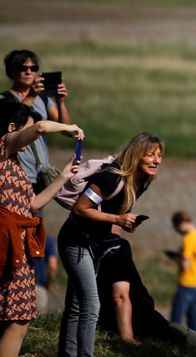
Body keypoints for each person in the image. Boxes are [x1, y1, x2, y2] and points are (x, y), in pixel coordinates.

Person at [57, 132, 164, 357]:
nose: (156, 160)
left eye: (160, 155)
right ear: (137, 155)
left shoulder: (142, 181)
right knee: (91, 306)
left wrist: (125, 222)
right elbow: (80, 208)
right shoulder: (111, 177)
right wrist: (117, 219)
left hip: (96, 243)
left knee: (77, 307)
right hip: (77, 241)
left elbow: (112, 211)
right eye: (150, 155)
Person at [0, 100, 83, 357]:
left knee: (15, 316)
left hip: (18, 245)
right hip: (8, 243)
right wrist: (68, 127)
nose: (31, 141)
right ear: (12, 127)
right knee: (19, 319)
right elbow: (40, 128)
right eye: (25, 129)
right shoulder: (3, 145)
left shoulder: (12, 163)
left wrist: (63, 177)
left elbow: (33, 203)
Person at [1, 49, 73, 195]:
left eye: (33, 68)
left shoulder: (44, 100)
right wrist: (31, 95)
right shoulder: (4, 100)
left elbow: (66, 131)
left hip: (39, 173)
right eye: (23, 68)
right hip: (15, 169)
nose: (29, 72)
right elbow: (15, 118)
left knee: (35, 217)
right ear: (11, 72)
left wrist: (60, 102)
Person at [97, 237, 171, 342]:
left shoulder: (80, 245)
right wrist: (127, 338)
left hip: (102, 319)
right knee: (184, 335)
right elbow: (120, 297)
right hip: (140, 321)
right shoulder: (116, 245)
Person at [169, 210, 196, 334]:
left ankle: (171, 341)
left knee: (176, 317)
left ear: (180, 225)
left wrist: (176, 258)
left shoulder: (188, 239)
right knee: (193, 318)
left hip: (187, 282)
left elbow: (186, 265)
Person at [34, 231, 59, 312]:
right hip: (39, 286)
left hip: (19, 286)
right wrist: (49, 283)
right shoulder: (47, 239)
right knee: (38, 321)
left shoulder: (18, 234)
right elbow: (53, 266)